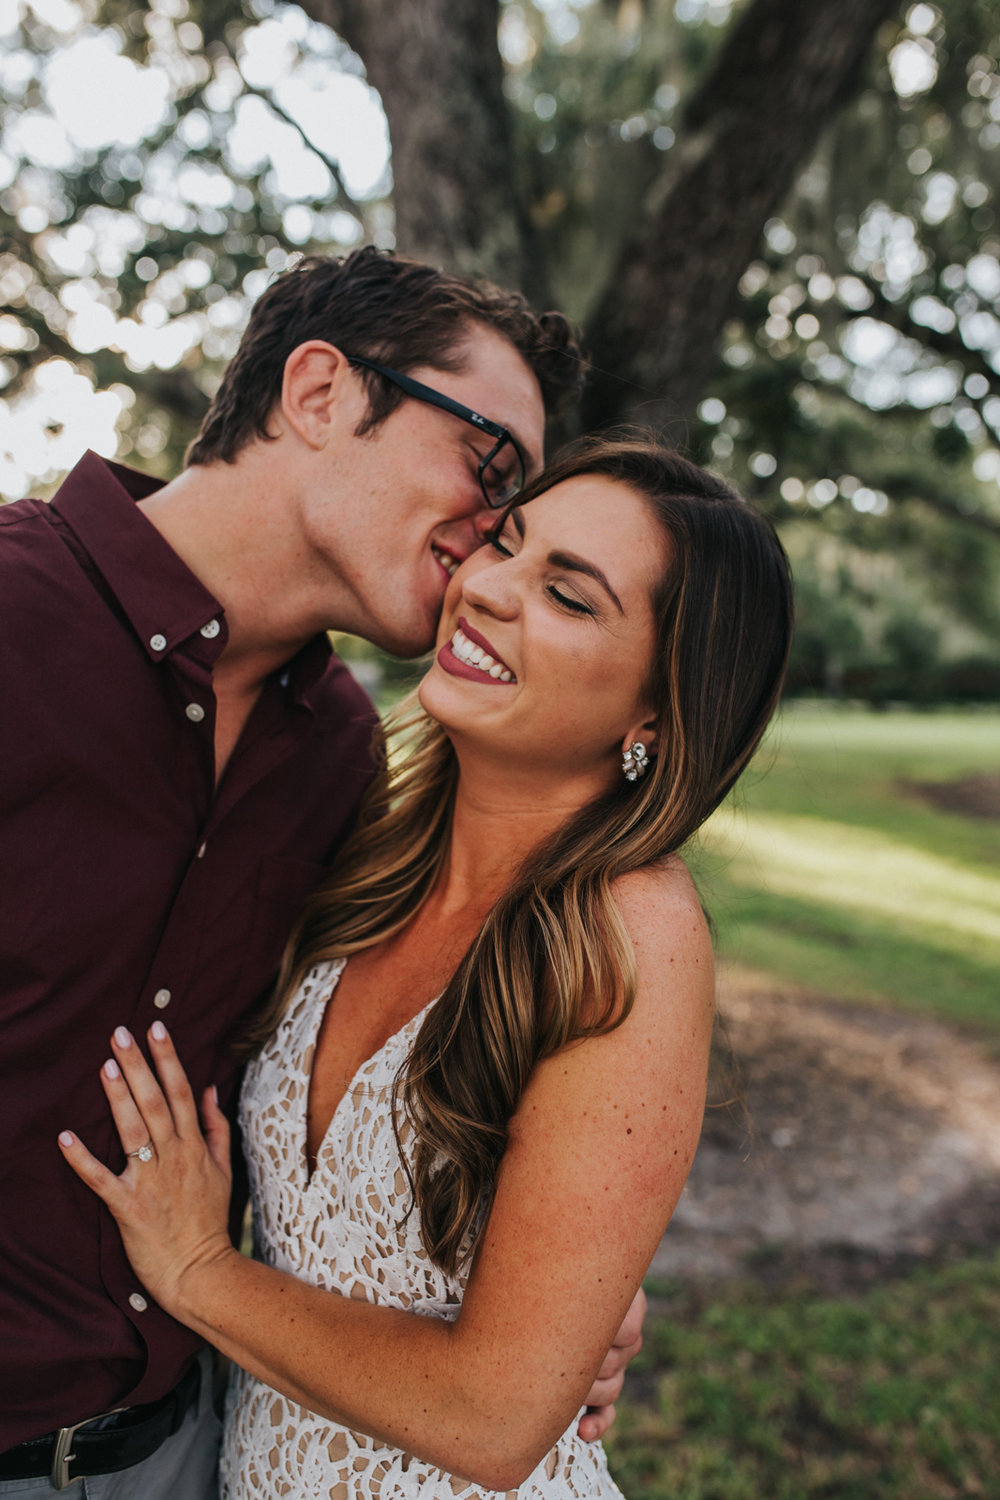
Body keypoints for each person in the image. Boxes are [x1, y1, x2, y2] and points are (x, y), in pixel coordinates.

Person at [0, 249, 644, 1499]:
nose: (489, 543)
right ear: (320, 393)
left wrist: (559, 1292)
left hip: (188, 1448)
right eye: (489, 468)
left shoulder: (346, 751)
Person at [60, 436, 794, 1498]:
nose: (487, 589)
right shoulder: (372, 843)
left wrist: (200, 1272)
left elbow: (495, 1418)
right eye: (504, 541)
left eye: (569, 598)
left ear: (656, 712)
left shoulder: (628, 930)